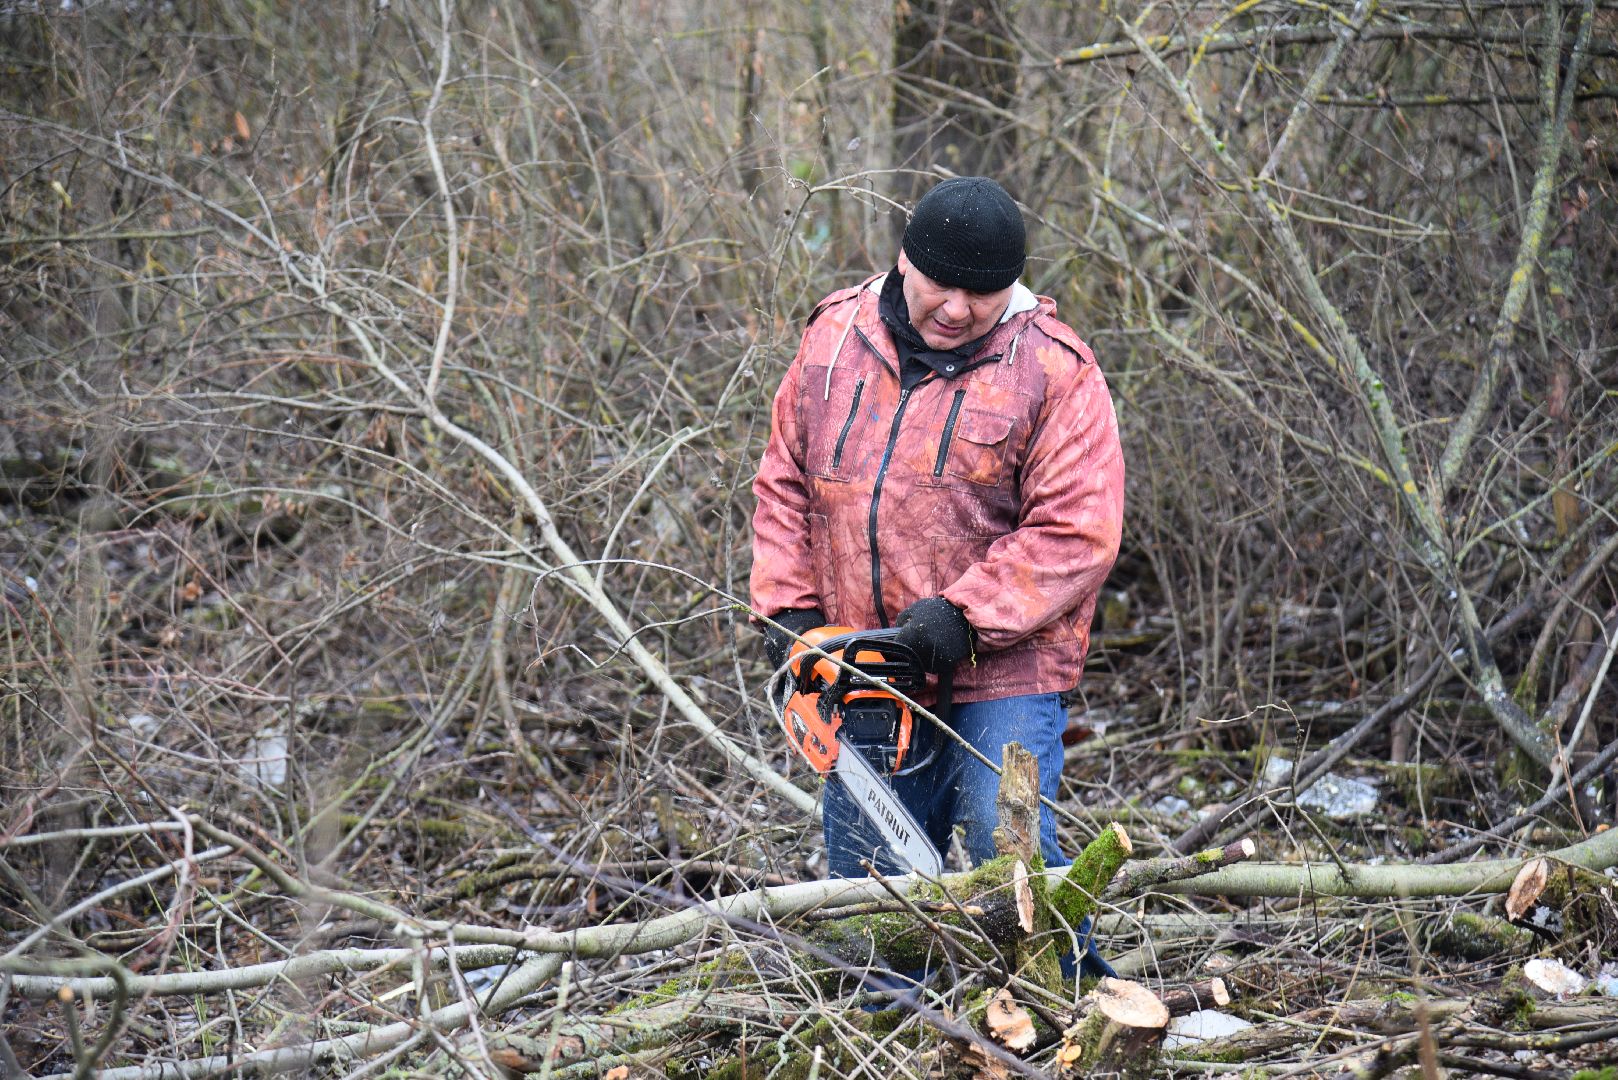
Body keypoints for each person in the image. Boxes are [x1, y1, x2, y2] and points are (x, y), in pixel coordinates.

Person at [750, 176, 1125, 965]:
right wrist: (791, 616)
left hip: (1004, 665)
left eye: (982, 293)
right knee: (869, 884)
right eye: (940, 285)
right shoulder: (834, 339)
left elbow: (1077, 530)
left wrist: (964, 616)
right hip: (867, 658)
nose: (957, 308)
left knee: (1005, 843)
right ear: (904, 262)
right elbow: (785, 481)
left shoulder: (1053, 370)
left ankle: (1072, 1002)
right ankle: (890, 1026)